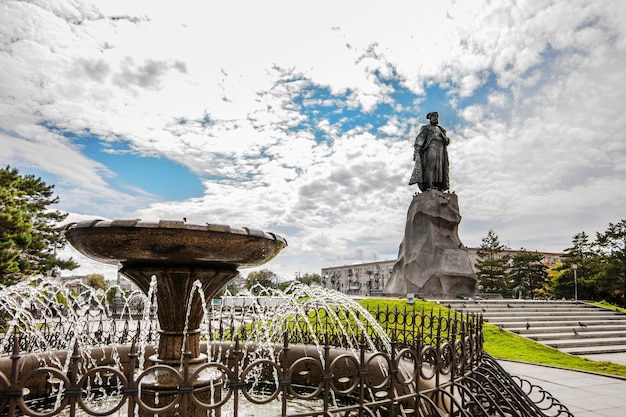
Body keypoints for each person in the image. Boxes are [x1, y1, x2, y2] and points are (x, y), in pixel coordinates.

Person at [408, 111, 450, 191]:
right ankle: (429, 184)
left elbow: (447, 141)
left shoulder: (441, 130)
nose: (435, 118)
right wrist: (417, 148)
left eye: (436, 117)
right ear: (430, 119)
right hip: (431, 147)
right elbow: (421, 137)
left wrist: (444, 138)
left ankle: (438, 185)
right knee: (430, 165)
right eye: (433, 117)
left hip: (440, 149)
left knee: (439, 168)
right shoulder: (426, 127)